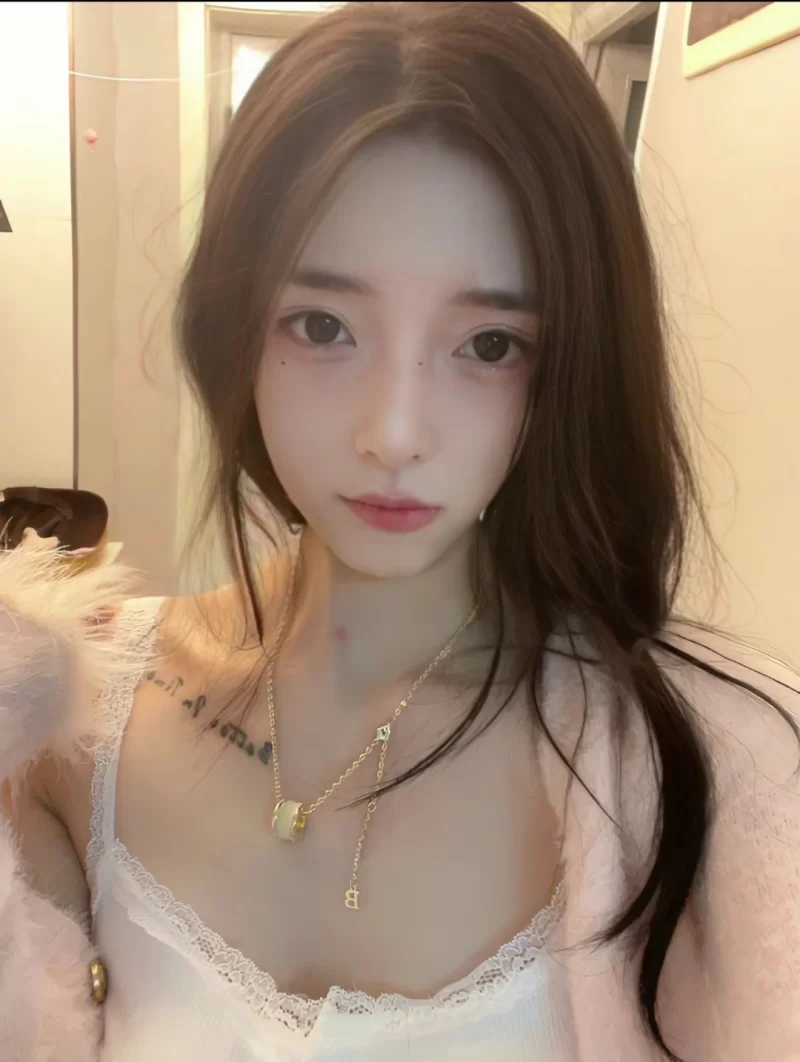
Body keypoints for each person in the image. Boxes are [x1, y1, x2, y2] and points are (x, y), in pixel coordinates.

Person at [4, 3, 799, 1060]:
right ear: (233, 331)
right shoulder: (72, 723)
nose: (393, 434)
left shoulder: (711, 770)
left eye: (489, 344)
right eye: (322, 326)